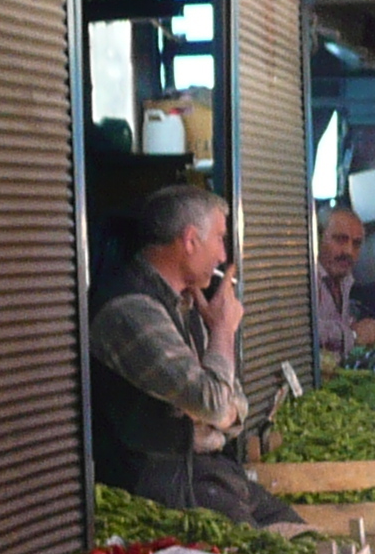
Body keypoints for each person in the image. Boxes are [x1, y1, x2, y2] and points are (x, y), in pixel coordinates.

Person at [90, 183, 301, 527]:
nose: (222, 256)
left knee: (306, 538)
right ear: (190, 241)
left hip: (208, 474)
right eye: (219, 238)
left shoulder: (187, 304)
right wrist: (222, 331)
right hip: (165, 493)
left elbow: (236, 408)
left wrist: (215, 417)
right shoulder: (131, 311)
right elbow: (215, 402)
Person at [312, 205, 372, 358]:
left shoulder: (345, 280)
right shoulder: (305, 279)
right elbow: (307, 330)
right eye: (340, 240)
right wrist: (353, 335)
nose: (349, 251)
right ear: (317, 238)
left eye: (356, 244)